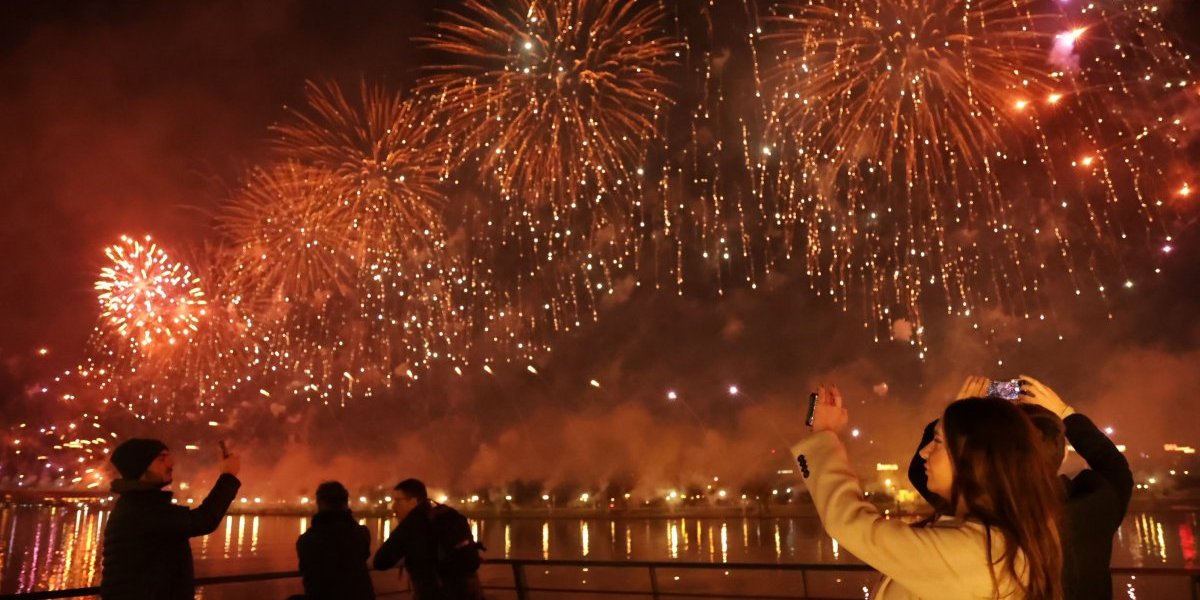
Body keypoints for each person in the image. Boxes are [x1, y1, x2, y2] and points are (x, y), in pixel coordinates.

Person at [794, 386, 1063, 599]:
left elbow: (851, 523)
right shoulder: (1001, 537)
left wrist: (824, 435)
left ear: (974, 457)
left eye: (936, 441)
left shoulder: (979, 553)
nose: (924, 452)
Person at [909, 375, 1133, 599]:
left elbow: (923, 472)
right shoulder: (1097, 504)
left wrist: (957, 418)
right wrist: (1066, 414)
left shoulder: (985, 510)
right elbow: (1114, 466)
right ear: (1063, 454)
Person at [100, 438, 241, 599]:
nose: (171, 463)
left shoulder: (138, 504)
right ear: (140, 468)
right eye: (162, 458)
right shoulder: (143, 508)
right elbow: (203, 520)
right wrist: (228, 476)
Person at [373, 478, 483, 600]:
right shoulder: (447, 515)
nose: (393, 506)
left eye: (398, 501)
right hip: (467, 593)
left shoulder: (411, 524)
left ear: (413, 501)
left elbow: (380, 561)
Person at [296, 481, 375, 600]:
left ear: (319, 503)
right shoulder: (362, 534)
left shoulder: (307, 540)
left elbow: (306, 570)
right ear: (346, 502)